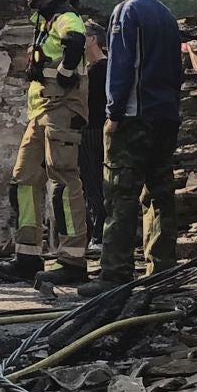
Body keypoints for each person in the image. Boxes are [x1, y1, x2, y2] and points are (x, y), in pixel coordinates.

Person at [79, 0, 184, 299]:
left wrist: (113, 114)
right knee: (159, 194)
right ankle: (162, 270)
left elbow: (120, 67)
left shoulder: (126, 11)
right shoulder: (167, 16)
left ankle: (115, 274)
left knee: (120, 196)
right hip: (166, 117)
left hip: (134, 118)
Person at [7, 0, 90, 284]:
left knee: (64, 179)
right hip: (41, 112)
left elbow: (76, 40)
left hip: (62, 110)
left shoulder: (65, 18)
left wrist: (68, 71)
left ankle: (72, 261)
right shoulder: (44, 21)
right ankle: (27, 256)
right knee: (24, 179)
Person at [81, 21, 108, 252]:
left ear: (91, 39)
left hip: (94, 131)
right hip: (94, 130)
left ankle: (99, 235)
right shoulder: (96, 68)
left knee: (94, 184)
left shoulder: (99, 69)